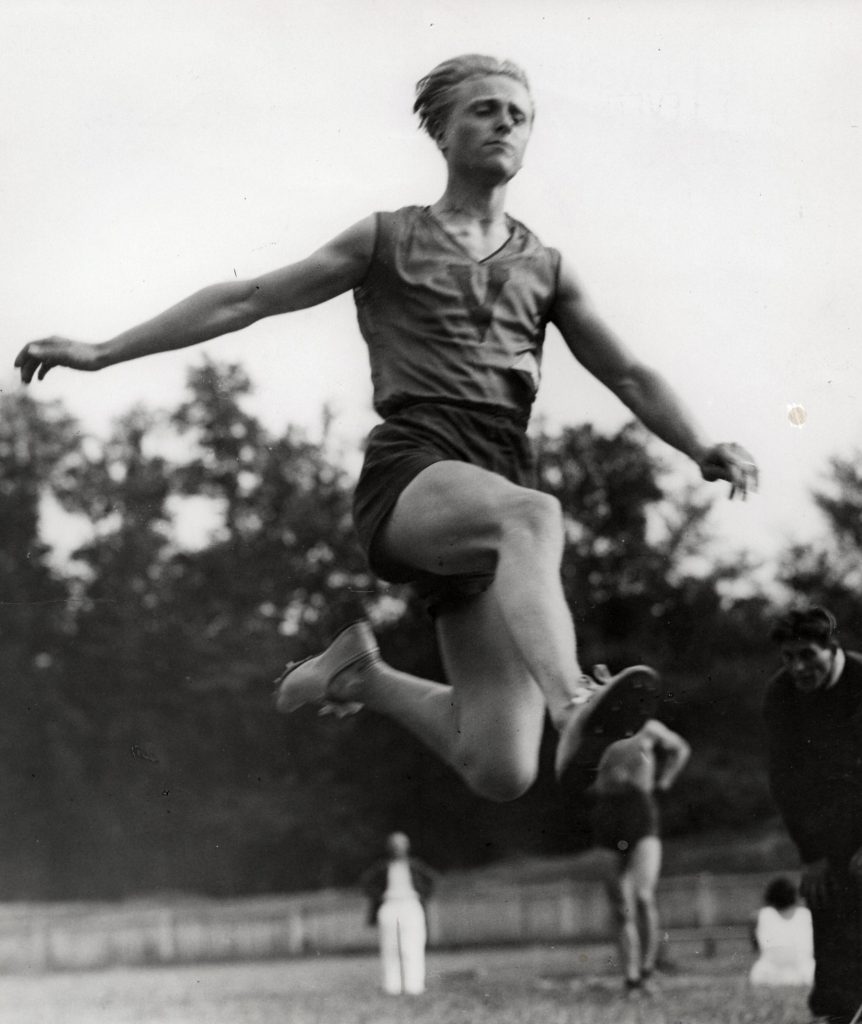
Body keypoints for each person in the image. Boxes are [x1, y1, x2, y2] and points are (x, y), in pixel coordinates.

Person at [15, 54, 758, 801]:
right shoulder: (386, 238)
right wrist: (103, 351)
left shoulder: (548, 267)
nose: (506, 122)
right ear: (442, 131)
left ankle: (361, 676)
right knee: (535, 517)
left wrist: (699, 445)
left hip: (494, 478)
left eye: (519, 115)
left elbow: (626, 373)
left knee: (500, 766)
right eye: (485, 109)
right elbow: (249, 299)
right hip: (416, 464)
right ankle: (574, 701)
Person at [763, 606, 862, 1023]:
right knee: (828, 904)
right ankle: (835, 1012)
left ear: (832, 646)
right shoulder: (781, 695)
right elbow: (787, 783)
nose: (798, 667)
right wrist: (812, 854)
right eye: (788, 658)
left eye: (807, 654)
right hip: (830, 820)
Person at [588, 714, 690, 997]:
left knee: (644, 896)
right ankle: (630, 979)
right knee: (620, 906)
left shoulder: (650, 728)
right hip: (608, 816)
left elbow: (681, 748)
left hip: (640, 815)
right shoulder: (599, 729)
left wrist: (666, 778)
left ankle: (646, 970)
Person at [360, 831, 436, 996]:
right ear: (389, 847)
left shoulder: (415, 866)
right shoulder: (382, 867)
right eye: (394, 845)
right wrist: (380, 895)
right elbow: (366, 883)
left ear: (407, 846)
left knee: (412, 947)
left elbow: (432, 881)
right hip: (390, 906)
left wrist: (421, 894)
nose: (397, 848)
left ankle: (414, 986)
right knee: (390, 948)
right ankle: (391, 987)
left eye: (401, 845)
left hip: (410, 905)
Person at [748, 875, 815, 988]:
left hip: (769, 976)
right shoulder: (807, 915)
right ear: (794, 895)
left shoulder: (759, 916)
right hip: (805, 974)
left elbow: (756, 948)